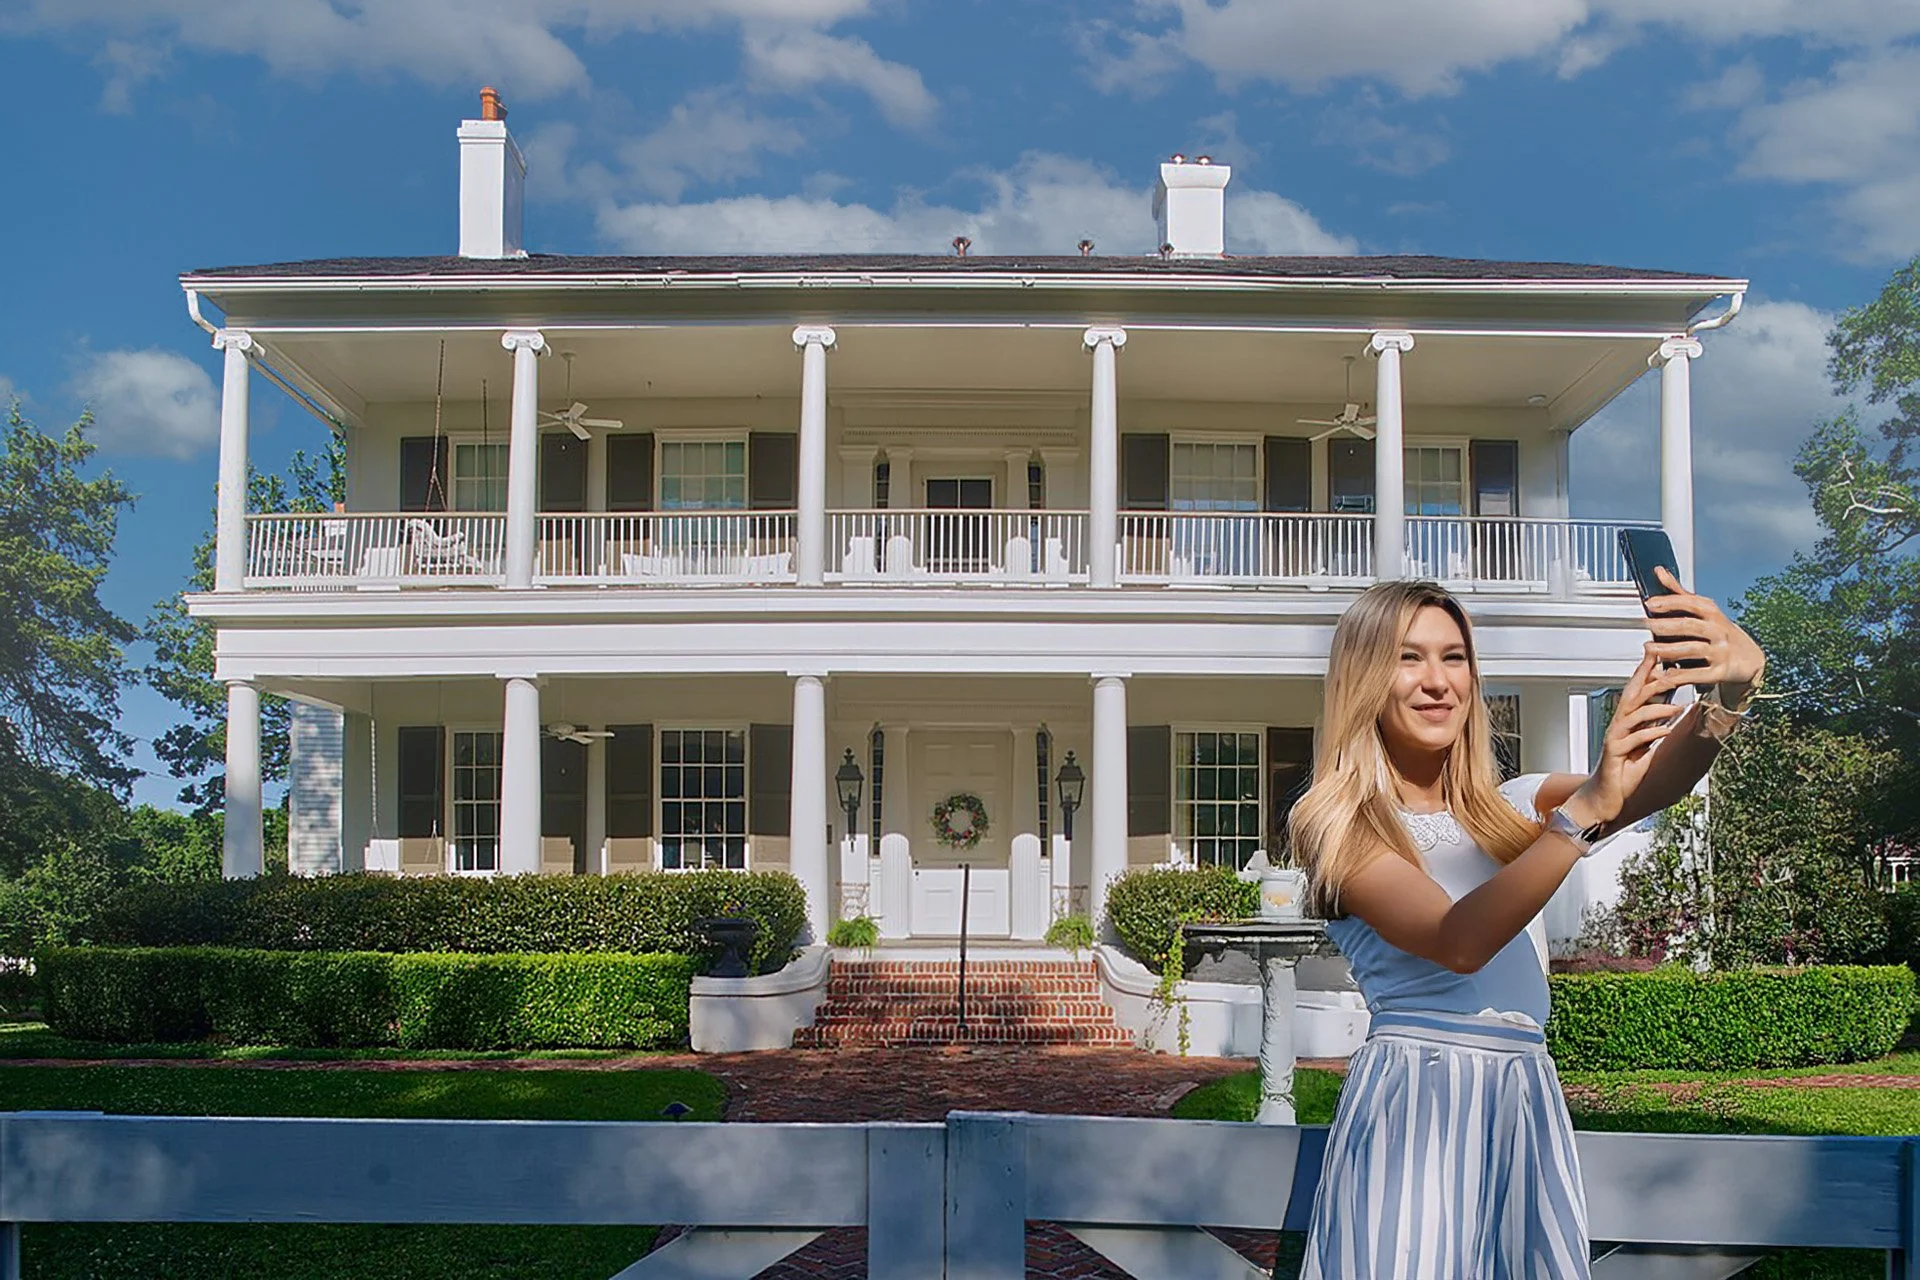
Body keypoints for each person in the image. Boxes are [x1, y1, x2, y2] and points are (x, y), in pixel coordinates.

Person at [1292, 569, 1766, 1280]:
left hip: (1523, 1095)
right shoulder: (1335, 822)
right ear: (1363, 678)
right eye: (1408, 657)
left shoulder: (1507, 807)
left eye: (1454, 657)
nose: (1437, 681)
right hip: (1418, 1102)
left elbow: (1655, 785)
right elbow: (1458, 941)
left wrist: (1731, 693)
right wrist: (1580, 818)